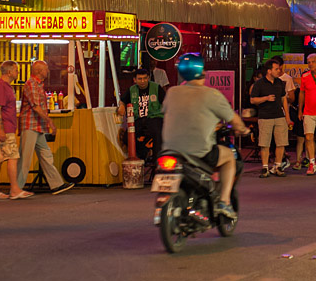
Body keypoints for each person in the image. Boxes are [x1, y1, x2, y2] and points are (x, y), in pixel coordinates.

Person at [161, 54, 249, 219]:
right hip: (200, 152)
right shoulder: (211, 94)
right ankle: (224, 201)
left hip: (170, 151)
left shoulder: (172, 92)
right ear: (202, 71)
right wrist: (243, 130)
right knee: (229, 156)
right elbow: (234, 119)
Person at [17, 60, 74, 194]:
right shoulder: (31, 84)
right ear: (39, 71)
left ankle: (56, 184)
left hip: (37, 126)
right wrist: (50, 122)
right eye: (46, 69)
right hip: (30, 125)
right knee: (25, 158)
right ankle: (17, 188)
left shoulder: (38, 85)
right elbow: (36, 106)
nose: (48, 71)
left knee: (46, 155)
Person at [0, 60, 31, 200]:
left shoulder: (5, 86)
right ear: (9, 72)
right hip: (4, 127)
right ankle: (15, 189)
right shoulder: (1, 86)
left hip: (4, 126)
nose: (18, 72)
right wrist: (1, 130)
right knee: (12, 157)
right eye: (16, 70)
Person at [121, 67, 165, 169]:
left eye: (145, 78)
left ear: (148, 78)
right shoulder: (132, 90)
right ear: (135, 80)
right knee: (126, 138)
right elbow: (123, 100)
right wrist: (122, 106)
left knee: (157, 133)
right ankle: (142, 153)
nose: (143, 81)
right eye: (140, 79)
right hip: (139, 120)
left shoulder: (156, 87)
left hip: (154, 118)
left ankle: (157, 162)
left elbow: (166, 102)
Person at [250, 59, 288, 177]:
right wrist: (265, 98)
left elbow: (283, 99)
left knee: (281, 142)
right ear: (269, 71)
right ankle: (265, 167)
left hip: (279, 116)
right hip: (265, 116)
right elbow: (253, 100)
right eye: (276, 69)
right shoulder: (259, 84)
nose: (279, 71)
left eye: (279, 68)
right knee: (264, 143)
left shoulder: (280, 83)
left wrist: (287, 116)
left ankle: (278, 166)